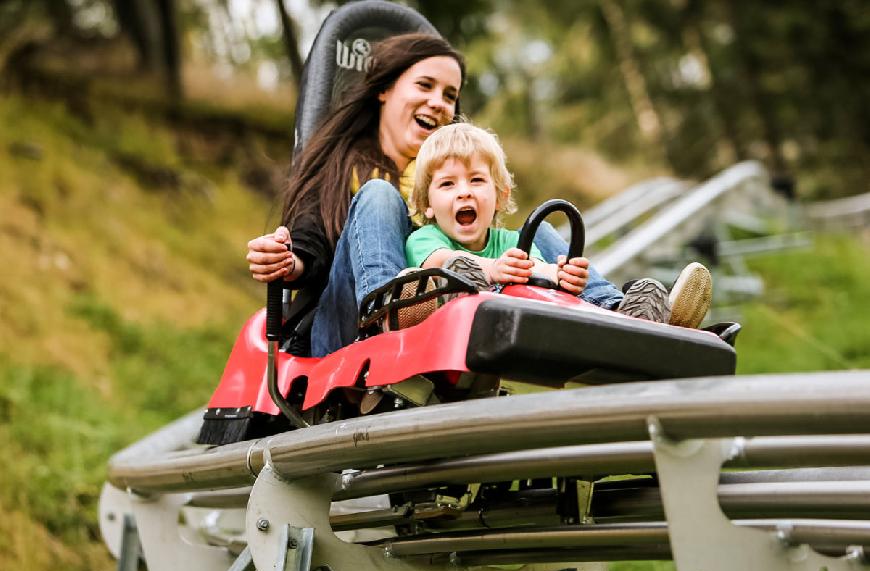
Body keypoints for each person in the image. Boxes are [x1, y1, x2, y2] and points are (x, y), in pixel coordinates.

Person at [246, 33, 706, 357]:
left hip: (448, 305)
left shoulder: (448, 179)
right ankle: (389, 309)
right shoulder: (344, 171)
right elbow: (310, 244)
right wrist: (291, 262)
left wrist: (549, 271)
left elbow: (491, 242)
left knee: (533, 229)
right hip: (350, 329)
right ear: (385, 90)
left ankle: (624, 311)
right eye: (424, 86)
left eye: (449, 95)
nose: (438, 103)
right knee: (381, 196)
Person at [404, 122, 712, 328]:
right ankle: (636, 315)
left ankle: (633, 313)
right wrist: (494, 269)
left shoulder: (511, 242)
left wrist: (562, 275)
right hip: (453, 324)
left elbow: (537, 271)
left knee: (546, 257)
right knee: (457, 268)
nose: (464, 191)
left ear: (499, 197)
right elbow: (440, 264)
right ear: (427, 205)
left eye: (476, 180)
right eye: (447, 184)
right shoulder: (425, 238)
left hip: (519, 320)